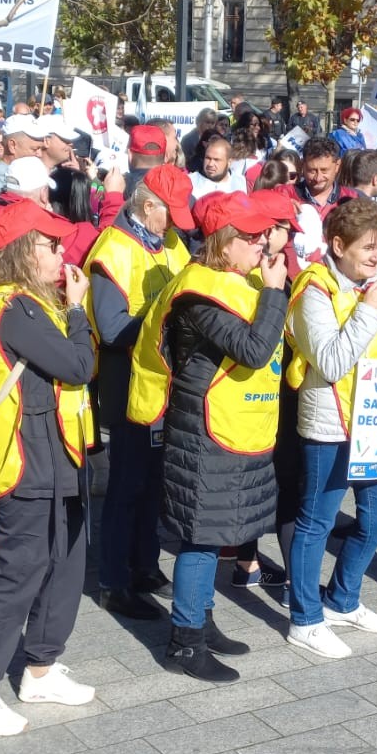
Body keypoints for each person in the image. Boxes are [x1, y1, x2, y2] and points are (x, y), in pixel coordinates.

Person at [130, 191, 288, 682]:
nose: (263, 241)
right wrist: (275, 293)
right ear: (224, 242)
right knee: (200, 539)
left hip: (231, 426)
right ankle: (184, 641)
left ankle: (203, 619)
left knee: (218, 532)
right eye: (252, 236)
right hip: (204, 432)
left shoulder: (232, 280)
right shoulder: (200, 292)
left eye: (264, 233)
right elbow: (253, 349)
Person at [0, 199, 99, 734]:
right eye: (51, 245)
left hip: (56, 453)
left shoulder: (34, 303)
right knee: (16, 573)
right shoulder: (13, 306)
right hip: (25, 457)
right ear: (20, 252)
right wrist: (80, 310)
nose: (63, 255)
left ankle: (40, 668)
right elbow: (78, 366)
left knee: (64, 562)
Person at [283, 198, 377, 657]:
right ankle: (305, 618)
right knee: (316, 521)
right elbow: (332, 361)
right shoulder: (315, 288)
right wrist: (369, 310)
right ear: (338, 245)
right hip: (331, 421)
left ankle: (342, 599)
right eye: (367, 247)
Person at [88, 166, 195, 619]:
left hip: (164, 380)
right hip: (128, 383)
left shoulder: (170, 241)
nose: (176, 225)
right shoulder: (112, 249)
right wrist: (169, 323)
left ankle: (146, 564)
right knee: (127, 485)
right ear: (148, 206)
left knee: (155, 481)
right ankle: (113, 580)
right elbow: (112, 328)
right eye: (171, 214)